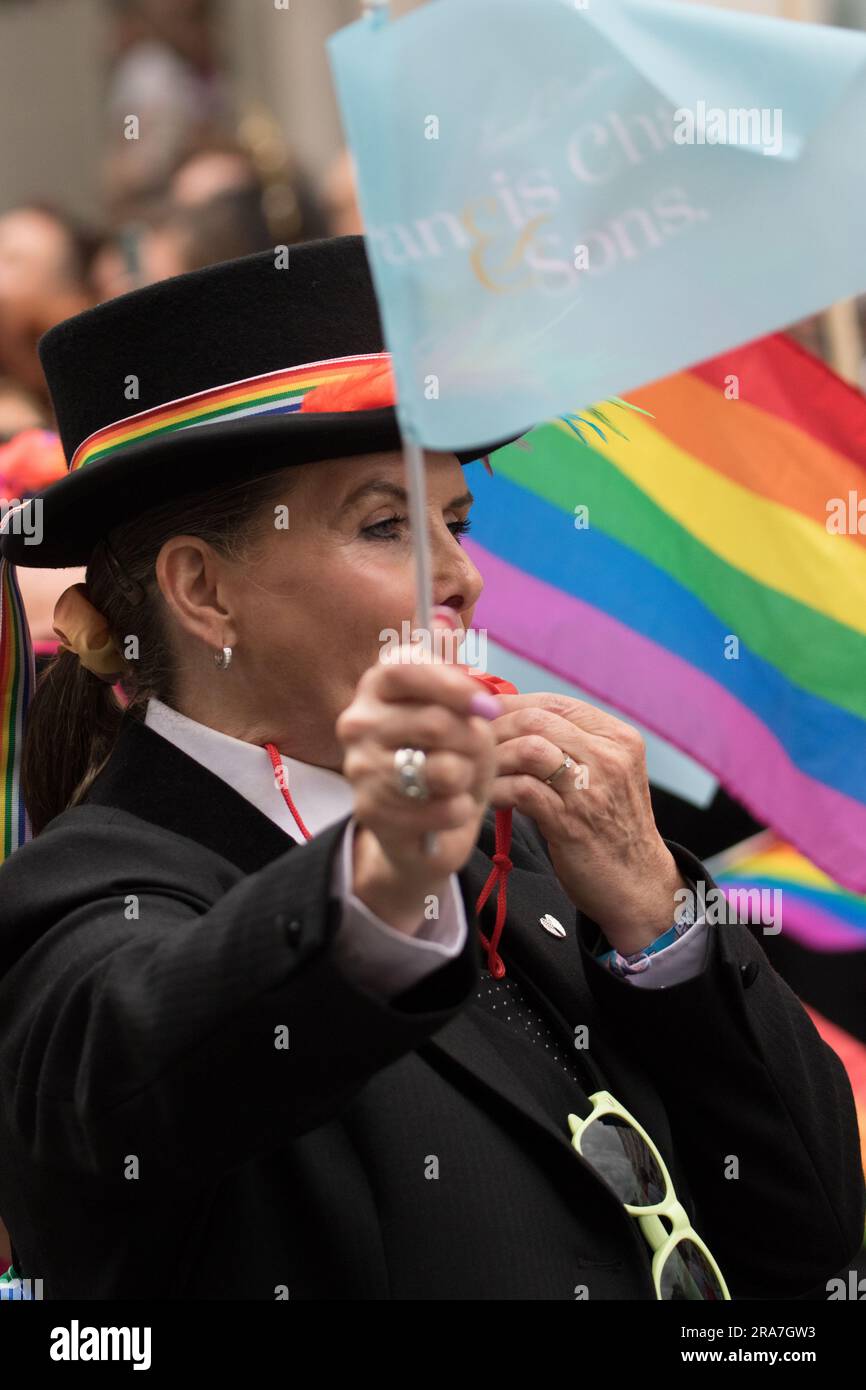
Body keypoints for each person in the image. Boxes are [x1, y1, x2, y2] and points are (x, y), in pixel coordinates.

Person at [0, 236, 862, 1301]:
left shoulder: (543, 844)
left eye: (454, 523)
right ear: (205, 594)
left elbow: (814, 1241)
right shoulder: (94, 895)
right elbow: (136, 1071)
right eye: (385, 526)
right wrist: (382, 871)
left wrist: (662, 927)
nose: (457, 580)